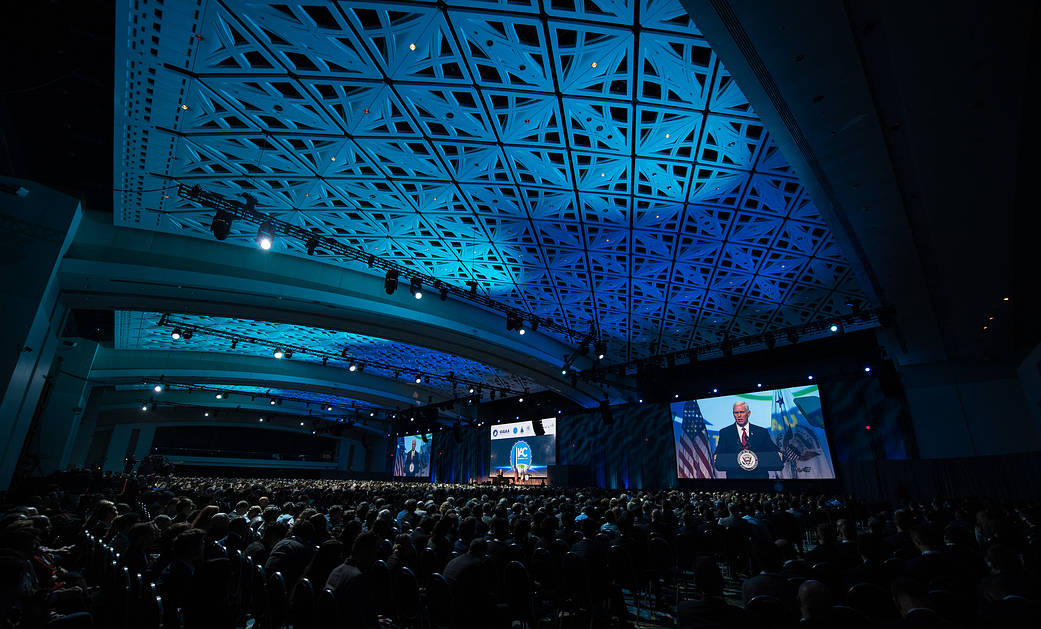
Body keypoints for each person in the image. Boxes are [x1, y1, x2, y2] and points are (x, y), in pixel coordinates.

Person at [713, 401, 781, 479]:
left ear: (748, 413)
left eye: (742, 412)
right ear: (733, 414)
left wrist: (779, 454)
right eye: (736, 413)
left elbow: (773, 449)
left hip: (759, 476)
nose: (739, 415)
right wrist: (716, 456)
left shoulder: (761, 432)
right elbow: (719, 452)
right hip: (735, 477)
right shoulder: (725, 432)